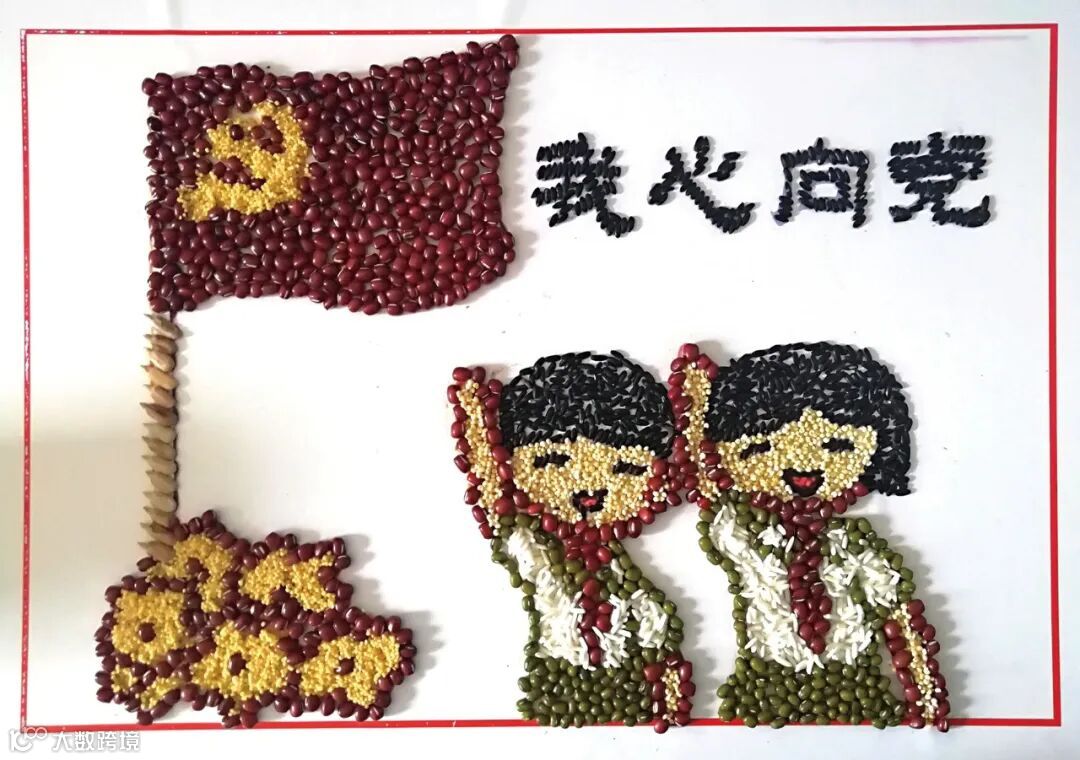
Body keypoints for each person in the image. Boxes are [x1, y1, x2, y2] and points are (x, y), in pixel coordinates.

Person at [669, 341, 949, 731]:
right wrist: (697, 398)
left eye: (838, 446)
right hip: (766, 689)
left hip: (857, 688)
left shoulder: (855, 545)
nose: (804, 467)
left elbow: (900, 614)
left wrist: (926, 694)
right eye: (762, 448)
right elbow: (701, 473)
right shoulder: (744, 530)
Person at [448, 351, 693, 732]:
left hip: (633, 680)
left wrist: (666, 674)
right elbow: (491, 494)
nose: (590, 488)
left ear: (656, 478)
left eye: (626, 468)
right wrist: (473, 420)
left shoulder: (613, 562)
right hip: (561, 679)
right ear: (515, 467)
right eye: (552, 463)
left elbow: (653, 620)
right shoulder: (533, 542)